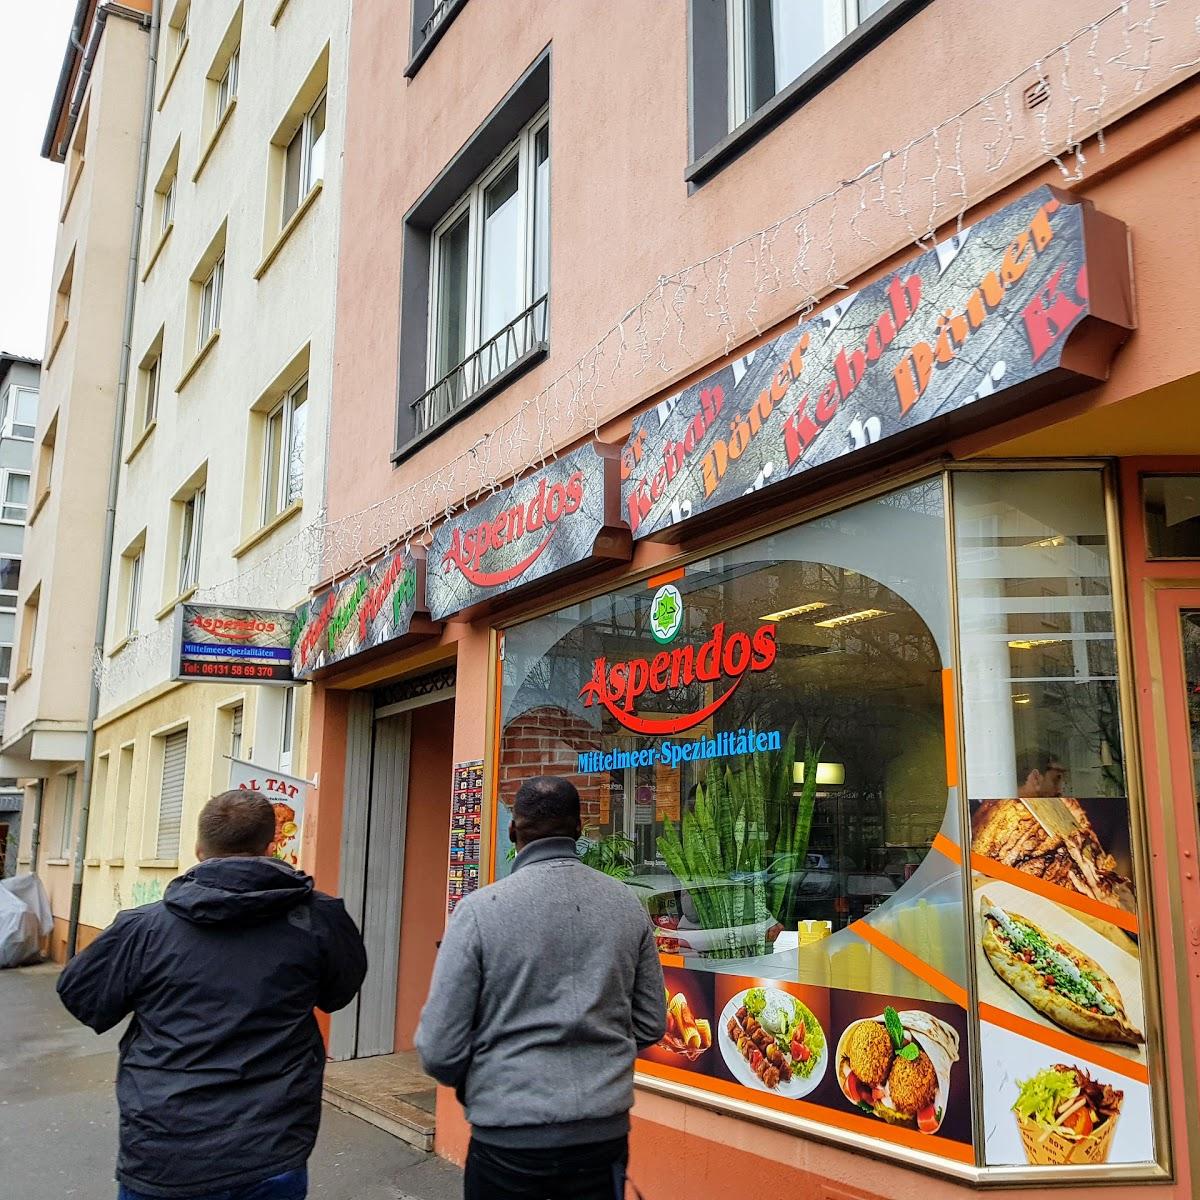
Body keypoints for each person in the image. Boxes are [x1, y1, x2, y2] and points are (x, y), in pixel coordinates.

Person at [57, 790, 367, 1200]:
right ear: (271, 846)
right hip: (270, 1148)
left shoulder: (143, 928)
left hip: (164, 1149)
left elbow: (84, 998)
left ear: (198, 848)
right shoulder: (319, 918)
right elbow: (339, 992)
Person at [416, 775, 666, 1200]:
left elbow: (439, 1047)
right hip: (600, 1135)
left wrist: (487, 1079)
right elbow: (651, 1023)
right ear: (580, 830)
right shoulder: (627, 905)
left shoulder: (478, 912)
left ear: (514, 830)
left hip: (507, 1136)